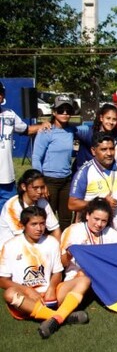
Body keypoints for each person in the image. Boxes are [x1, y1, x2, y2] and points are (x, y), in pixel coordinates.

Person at [0, 207, 90, 339]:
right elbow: (3, 280)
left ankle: (55, 317)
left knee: (85, 280)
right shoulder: (10, 246)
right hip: (27, 300)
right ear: (23, 225)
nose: (39, 228)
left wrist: (52, 288)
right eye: (34, 224)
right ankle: (61, 316)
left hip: (50, 297)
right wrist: (27, 290)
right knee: (9, 294)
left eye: (42, 223)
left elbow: (57, 273)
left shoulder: (52, 242)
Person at [69, 132, 117, 235]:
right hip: (91, 233)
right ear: (93, 151)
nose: (109, 153)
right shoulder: (85, 172)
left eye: (111, 149)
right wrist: (100, 202)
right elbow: (72, 204)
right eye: (104, 149)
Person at [0, 80, 50, 210]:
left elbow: (26, 130)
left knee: (11, 212)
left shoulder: (9, 115)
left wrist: (42, 126)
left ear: (3, 96)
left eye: (0, 93)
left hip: (6, 178)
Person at [32, 95, 77, 230]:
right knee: (46, 218)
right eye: (60, 110)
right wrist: (41, 183)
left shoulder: (72, 131)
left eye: (68, 110)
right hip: (49, 181)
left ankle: (63, 246)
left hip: (66, 181)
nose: (64, 113)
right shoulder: (46, 131)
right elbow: (36, 158)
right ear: (54, 112)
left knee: (65, 218)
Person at [60, 198, 117, 281]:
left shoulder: (108, 232)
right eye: (96, 219)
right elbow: (61, 264)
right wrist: (69, 254)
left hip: (101, 278)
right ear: (88, 215)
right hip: (75, 280)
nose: (99, 224)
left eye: (104, 221)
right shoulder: (73, 231)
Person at [0, 169, 60, 247]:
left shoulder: (42, 202)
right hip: (11, 248)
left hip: (34, 242)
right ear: (24, 187)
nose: (39, 191)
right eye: (35, 188)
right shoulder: (12, 206)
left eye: (42, 187)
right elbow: (21, 238)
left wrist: (58, 251)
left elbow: (56, 229)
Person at [74, 103, 117, 171]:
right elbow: (71, 131)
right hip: (84, 171)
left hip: (104, 173)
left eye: (114, 119)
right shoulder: (87, 131)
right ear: (101, 118)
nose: (111, 122)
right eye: (108, 118)